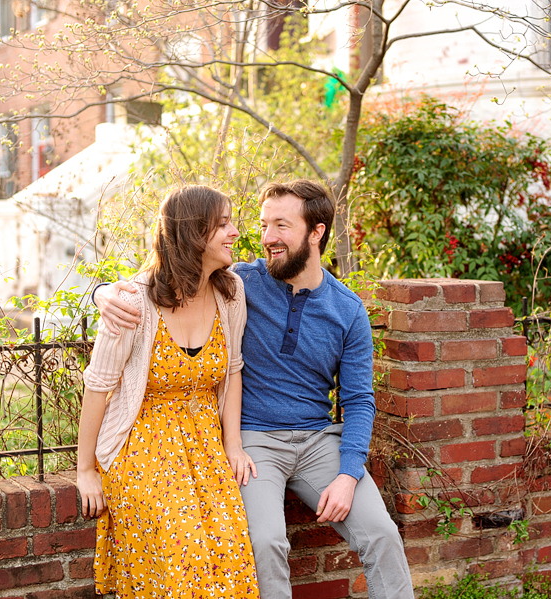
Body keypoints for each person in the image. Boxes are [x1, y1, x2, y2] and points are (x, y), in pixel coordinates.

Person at [94, 179, 414, 599]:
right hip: (255, 442)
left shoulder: (348, 310)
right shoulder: (240, 283)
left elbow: (358, 401)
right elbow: (159, 278)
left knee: (382, 534)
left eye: (280, 226)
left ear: (315, 232)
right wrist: (100, 293)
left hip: (320, 442)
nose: (266, 238)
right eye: (264, 225)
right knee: (264, 544)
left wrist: (349, 475)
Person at [78, 185, 259, 598]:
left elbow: (232, 370)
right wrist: (86, 469)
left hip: (204, 444)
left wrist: (233, 444)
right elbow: (98, 385)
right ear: (194, 233)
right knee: (186, 544)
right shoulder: (133, 302)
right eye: (224, 224)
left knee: (231, 545)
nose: (234, 232)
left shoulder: (231, 293)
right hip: (142, 444)